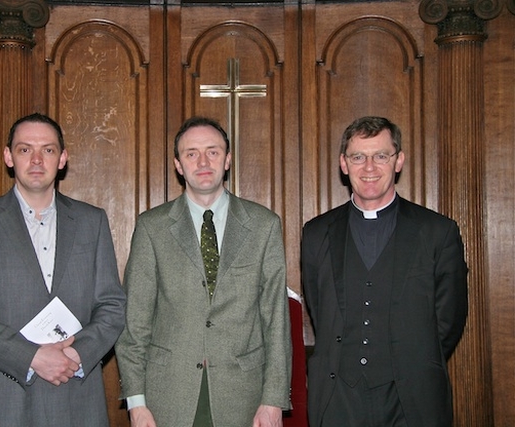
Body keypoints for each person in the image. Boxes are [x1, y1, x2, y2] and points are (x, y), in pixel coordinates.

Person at [0, 113, 126, 427]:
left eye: (47, 150)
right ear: (8, 156)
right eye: (25, 149)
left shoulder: (92, 221)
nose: (36, 159)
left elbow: (112, 305)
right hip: (7, 394)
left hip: (78, 394)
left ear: (62, 158)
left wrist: (76, 356)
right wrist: (30, 357)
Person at [115, 116, 292, 427]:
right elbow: (135, 321)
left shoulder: (263, 225)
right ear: (178, 165)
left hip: (244, 397)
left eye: (213, 151)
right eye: (191, 153)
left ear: (227, 160)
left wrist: (273, 399)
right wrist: (136, 401)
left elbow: (276, 320)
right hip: (166, 396)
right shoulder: (152, 227)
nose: (203, 161)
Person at [301, 116, 468, 427]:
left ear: (398, 161)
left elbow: (449, 318)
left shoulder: (437, 232)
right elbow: (320, 307)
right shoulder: (316, 233)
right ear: (344, 164)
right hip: (338, 398)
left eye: (380, 155)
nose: (369, 167)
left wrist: (413, 357)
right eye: (358, 157)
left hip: (412, 399)